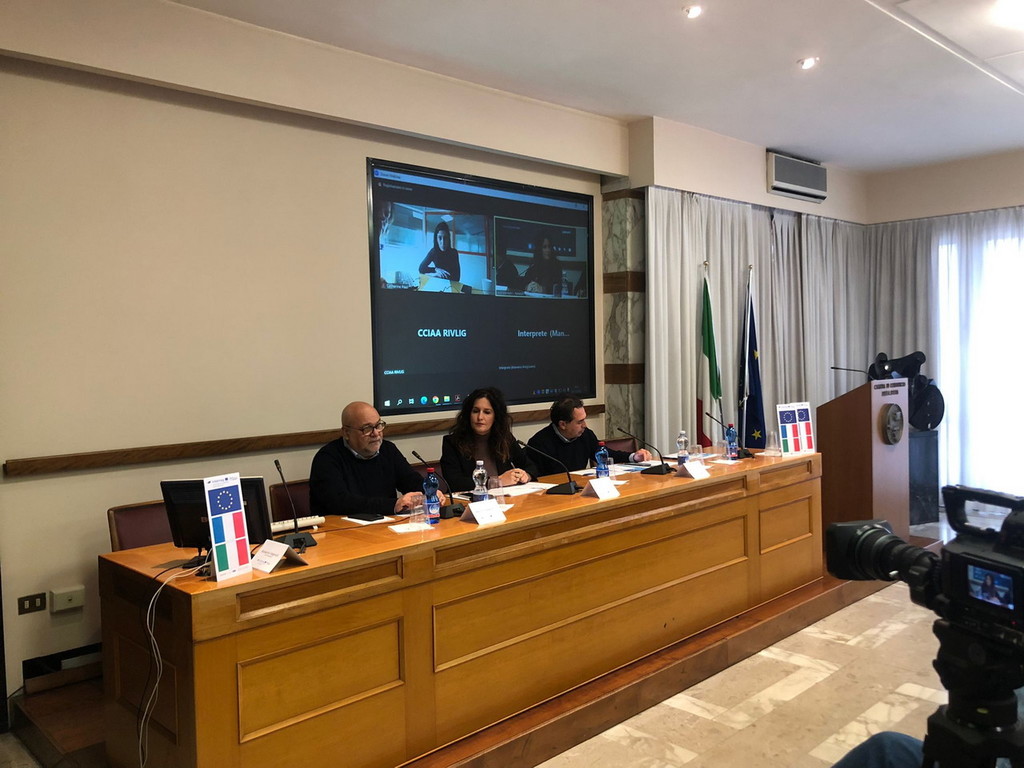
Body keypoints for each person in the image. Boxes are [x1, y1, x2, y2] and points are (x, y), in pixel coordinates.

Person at [309, 401, 442, 517]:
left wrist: (431, 493)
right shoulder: (327, 458)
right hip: (340, 530)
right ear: (346, 433)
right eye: (367, 428)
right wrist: (393, 505)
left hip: (384, 525)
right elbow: (339, 502)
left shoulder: (388, 449)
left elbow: (409, 480)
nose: (376, 433)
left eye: (378, 425)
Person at [440, 387, 537, 491]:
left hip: (504, 497)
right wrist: (497, 481)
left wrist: (526, 475)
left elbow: (531, 467)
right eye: (475, 411)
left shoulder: (505, 439)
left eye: (487, 412)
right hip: (469, 499)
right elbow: (455, 483)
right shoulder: (452, 442)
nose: (480, 417)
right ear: (468, 414)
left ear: (496, 416)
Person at [526, 396, 653, 477]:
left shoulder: (585, 435)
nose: (585, 425)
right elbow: (533, 476)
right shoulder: (539, 444)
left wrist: (633, 457)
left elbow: (604, 455)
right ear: (563, 424)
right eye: (580, 422)